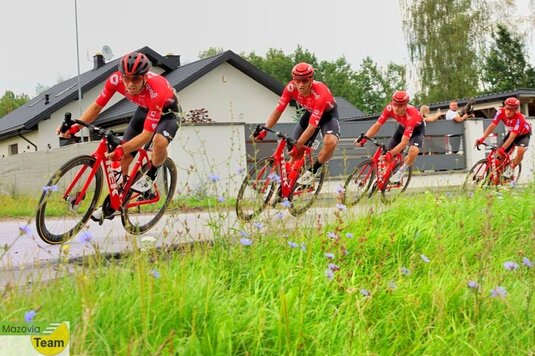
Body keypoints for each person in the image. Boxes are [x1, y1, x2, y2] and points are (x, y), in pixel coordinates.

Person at [58, 51, 180, 220]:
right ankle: (117, 201)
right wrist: (75, 128)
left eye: (136, 79)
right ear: (121, 75)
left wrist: (122, 149)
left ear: (144, 77)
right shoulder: (115, 80)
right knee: (124, 158)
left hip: (167, 114)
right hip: (144, 110)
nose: (130, 84)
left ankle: (152, 173)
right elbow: (97, 107)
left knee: (158, 142)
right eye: (126, 78)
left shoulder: (156, 90)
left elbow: (146, 136)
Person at [253, 62, 340, 185]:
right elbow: (278, 110)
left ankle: (313, 171)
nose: (300, 85)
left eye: (304, 81)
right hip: (310, 113)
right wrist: (265, 130)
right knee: (294, 154)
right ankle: (287, 186)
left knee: (330, 143)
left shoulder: (320, 94)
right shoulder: (290, 88)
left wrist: (298, 144)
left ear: (311, 80)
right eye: (297, 80)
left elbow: (311, 127)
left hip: (327, 116)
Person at [355, 90, 424, 183]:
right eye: (395, 104)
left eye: (400, 106)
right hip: (403, 127)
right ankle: (384, 178)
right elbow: (377, 125)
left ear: (405, 105)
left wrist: (390, 154)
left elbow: (404, 142)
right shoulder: (389, 108)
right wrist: (364, 139)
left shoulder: (412, 115)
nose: (396, 108)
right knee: (387, 155)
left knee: (413, 151)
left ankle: (401, 171)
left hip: (417, 130)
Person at [475, 97, 531, 178]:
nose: (508, 112)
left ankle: (512, 167)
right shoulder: (500, 112)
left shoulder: (519, 118)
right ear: (505, 106)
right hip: (511, 133)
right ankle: (498, 176)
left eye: (512, 110)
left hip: (523, 135)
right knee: (499, 156)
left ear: (516, 110)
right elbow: (492, 126)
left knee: (520, 150)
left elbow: (512, 137)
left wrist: (502, 149)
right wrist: (482, 138)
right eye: (507, 108)